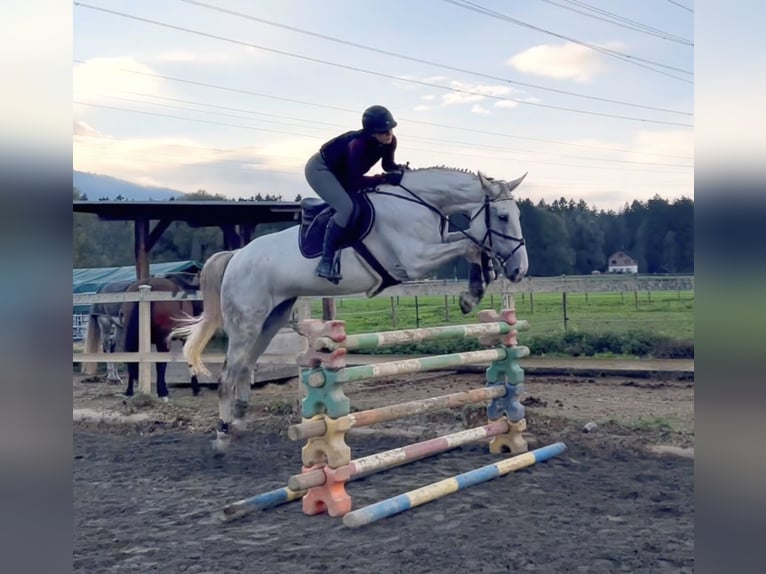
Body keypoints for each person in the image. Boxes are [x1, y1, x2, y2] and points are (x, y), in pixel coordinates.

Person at [304, 104, 408, 283]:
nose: (388, 134)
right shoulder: (357, 145)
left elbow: (387, 165)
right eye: (383, 131)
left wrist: (398, 170)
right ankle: (325, 261)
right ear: (371, 132)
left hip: (343, 172)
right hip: (321, 169)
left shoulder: (390, 141)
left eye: (390, 129)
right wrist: (383, 179)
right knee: (346, 208)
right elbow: (354, 182)